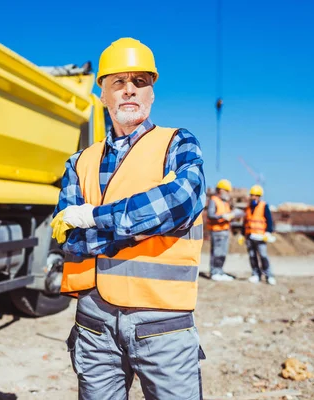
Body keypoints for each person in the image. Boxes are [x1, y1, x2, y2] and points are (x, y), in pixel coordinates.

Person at [50, 37, 206, 400]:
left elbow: (180, 203)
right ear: (102, 94)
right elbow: (68, 238)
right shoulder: (79, 162)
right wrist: (140, 228)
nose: (129, 90)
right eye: (117, 82)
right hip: (94, 324)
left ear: (152, 93)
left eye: (140, 81)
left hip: (163, 325)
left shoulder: (177, 144)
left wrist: (92, 217)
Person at [240, 184, 276, 285]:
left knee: (263, 256)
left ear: (259, 196)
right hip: (249, 236)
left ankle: (269, 275)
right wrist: (242, 234)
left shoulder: (264, 206)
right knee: (252, 256)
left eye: (255, 195)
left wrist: (268, 232)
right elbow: (245, 222)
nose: (253, 197)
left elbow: (269, 220)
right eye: (252, 195)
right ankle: (256, 274)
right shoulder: (247, 208)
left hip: (260, 236)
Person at [207, 179, 236, 281]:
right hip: (217, 231)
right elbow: (210, 215)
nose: (228, 193)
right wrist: (223, 216)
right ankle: (214, 272)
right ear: (221, 190)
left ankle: (219, 271)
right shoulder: (213, 200)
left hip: (225, 231)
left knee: (223, 253)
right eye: (227, 191)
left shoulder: (225, 203)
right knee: (217, 253)